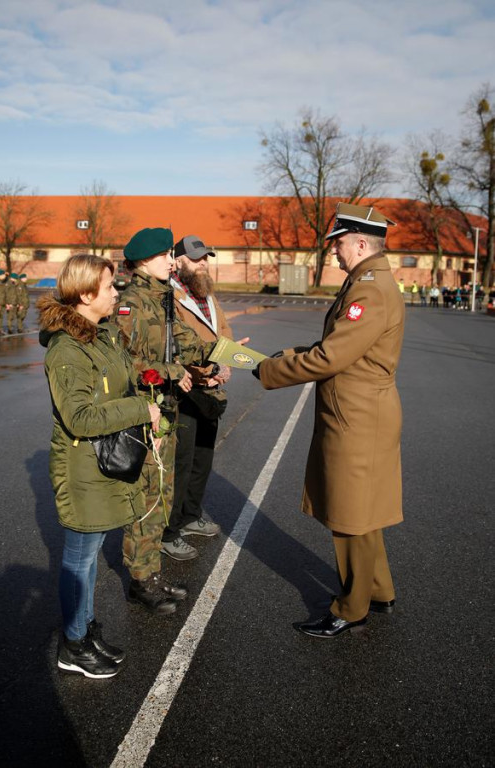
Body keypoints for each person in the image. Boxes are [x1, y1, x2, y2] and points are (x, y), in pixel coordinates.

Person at [252, 202, 405, 639]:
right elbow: (340, 344)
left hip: (356, 417)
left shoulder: (369, 290)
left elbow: (333, 355)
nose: (333, 252)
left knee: (350, 515)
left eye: (337, 243)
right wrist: (291, 355)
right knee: (365, 510)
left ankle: (350, 608)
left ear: (360, 242)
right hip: (362, 412)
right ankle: (379, 590)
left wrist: (270, 370)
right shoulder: (369, 282)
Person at [37, 254, 161, 678]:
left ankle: (85, 629)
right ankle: (72, 645)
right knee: (78, 561)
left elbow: (120, 385)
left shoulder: (101, 334)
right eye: (109, 287)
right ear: (86, 293)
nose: (115, 293)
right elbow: (80, 418)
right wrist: (140, 409)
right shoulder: (67, 349)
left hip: (104, 465)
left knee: (88, 560)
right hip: (84, 469)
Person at [113, 227, 217, 614]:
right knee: (145, 496)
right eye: (163, 256)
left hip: (166, 410)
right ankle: (141, 579)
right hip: (143, 411)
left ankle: (152, 571)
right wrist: (171, 370)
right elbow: (123, 364)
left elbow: (188, 343)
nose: (171, 261)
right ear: (144, 261)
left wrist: (224, 358)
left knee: (163, 494)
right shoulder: (130, 304)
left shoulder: (164, 298)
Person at [161, 235, 233, 561]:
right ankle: (169, 530)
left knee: (203, 458)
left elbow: (224, 330)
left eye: (206, 258)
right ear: (177, 261)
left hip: (210, 387)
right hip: (185, 389)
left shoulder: (206, 293)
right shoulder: (170, 297)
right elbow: (177, 346)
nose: (203, 263)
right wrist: (208, 370)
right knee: (181, 463)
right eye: (196, 258)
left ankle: (191, 515)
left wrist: (226, 362)